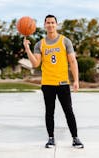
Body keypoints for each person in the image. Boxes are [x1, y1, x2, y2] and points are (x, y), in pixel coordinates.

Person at [23, 14, 84, 149]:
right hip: (48, 83)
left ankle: (75, 138)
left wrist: (76, 80)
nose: (50, 25)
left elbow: (73, 61)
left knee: (68, 111)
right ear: (44, 25)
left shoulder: (65, 41)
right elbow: (35, 64)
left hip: (63, 82)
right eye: (48, 23)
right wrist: (27, 49)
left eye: (52, 22)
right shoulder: (40, 44)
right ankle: (51, 139)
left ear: (56, 24)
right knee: (49, 112)